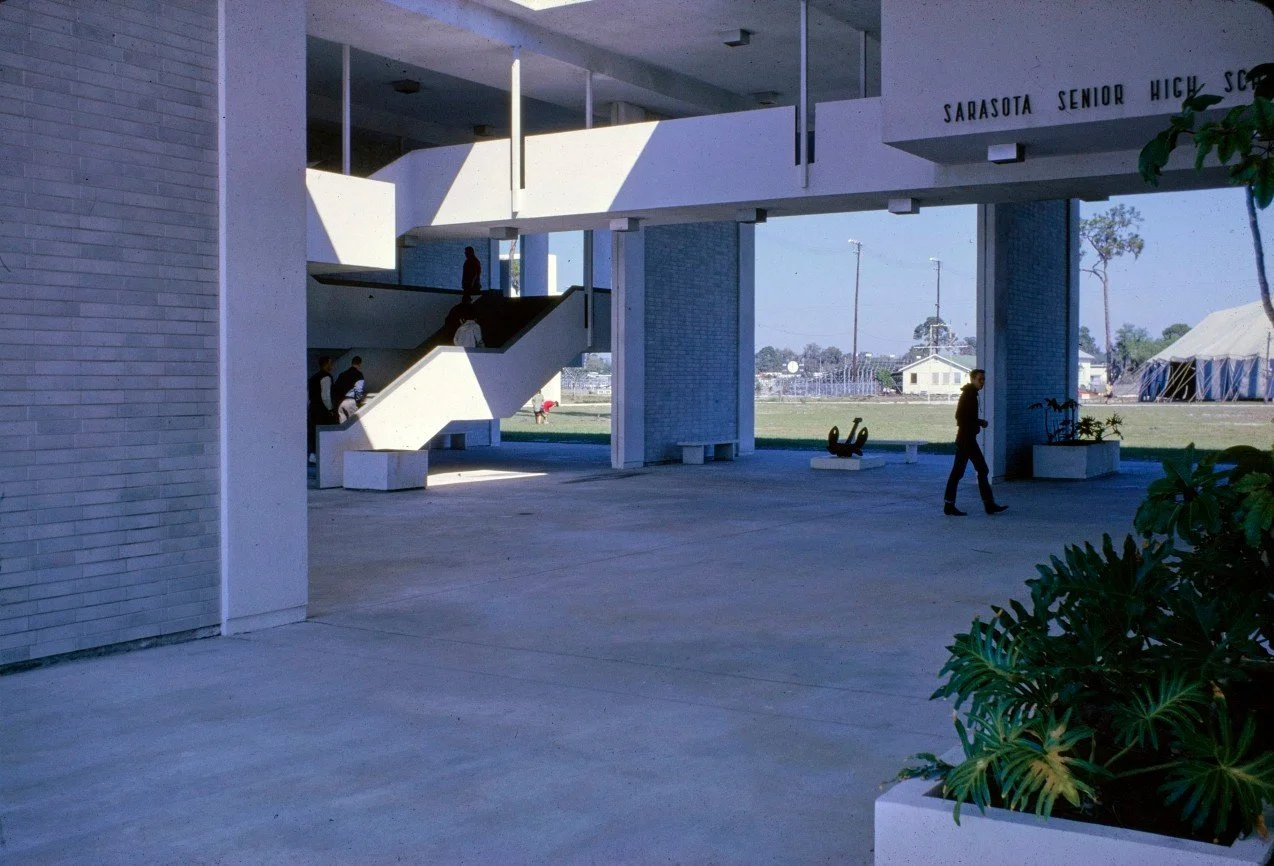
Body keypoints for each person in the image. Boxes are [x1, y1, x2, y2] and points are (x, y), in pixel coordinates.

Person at [943, 368, 1008, 516]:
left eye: (984, 379)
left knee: (967, 471)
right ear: (972, 379)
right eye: (980, 379)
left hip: (967, 439)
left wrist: (977, 423)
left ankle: (985, 504)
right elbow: (960, 416)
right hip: (966, 440)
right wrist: (979, 422)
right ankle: (986, 504)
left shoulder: (972, 394)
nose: (982, 382)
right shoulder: (968, 395)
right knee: (973, 470)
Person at [307, 355, 335, 464]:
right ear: (326, 363)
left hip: (312, 408)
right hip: (321, 410)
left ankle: (312, 456)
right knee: (323, 434)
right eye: (330, 363)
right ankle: (322, 458)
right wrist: (330, 409)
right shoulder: (326, 377)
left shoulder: (313, 378)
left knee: (313, 433)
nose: (332, 365)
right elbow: (326, 395)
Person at [333, 356, 366, 422]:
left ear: (352, 363)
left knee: (343, 427)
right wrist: (359, 400)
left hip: (340, 402)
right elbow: (358, 390)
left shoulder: (342, 374)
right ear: (359, 364)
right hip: (350, 402)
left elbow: (335, 387)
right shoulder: (359, 375)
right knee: (353, 425)